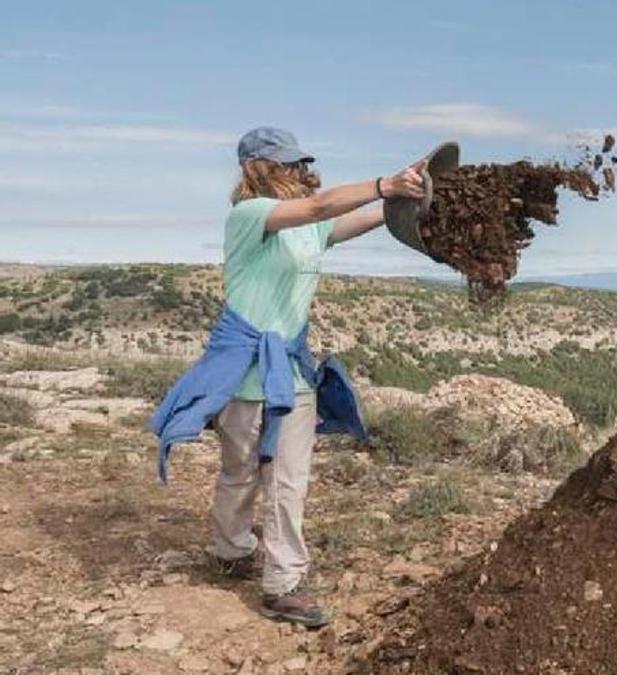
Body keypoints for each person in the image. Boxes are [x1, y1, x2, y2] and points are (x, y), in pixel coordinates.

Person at [151, 126, 427, 627]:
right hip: (241, 372)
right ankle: (230, 550)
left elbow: (349, 219)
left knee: (285, 480)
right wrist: (385, 182)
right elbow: (322, 207)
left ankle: (283, 584)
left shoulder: (306, 228)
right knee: (238, 471)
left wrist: (408, 203)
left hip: (291, 376)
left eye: (301, 164)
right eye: (288, 164)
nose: (299, 172)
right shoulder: (250, 215)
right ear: (258, 167)